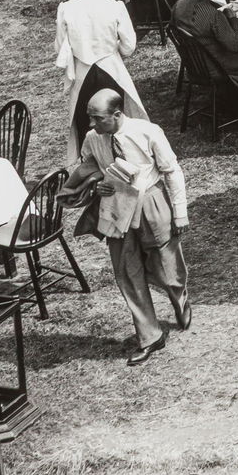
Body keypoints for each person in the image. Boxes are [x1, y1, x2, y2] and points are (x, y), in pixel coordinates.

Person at [64, 90, 191, 366]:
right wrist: (96, 186)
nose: (93, 124)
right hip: (117, 210)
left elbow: (172, 170)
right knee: (127, 271)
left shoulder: (148, 132)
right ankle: (150, 336)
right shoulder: (92, 139)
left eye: (98, 119)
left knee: (167, 266)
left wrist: (179, 213)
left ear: (117, 115)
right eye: (90, 118)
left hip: (150, 203)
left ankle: (179, 296)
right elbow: (89, 169)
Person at [55, 0, 148, 165]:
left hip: (83, 73)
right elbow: (129, 46)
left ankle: (91, 165)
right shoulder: (114, 6)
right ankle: (123, 161)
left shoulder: (67, 8)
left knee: (86, 121)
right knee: (115, 119)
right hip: (110, 70)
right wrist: (114, 49)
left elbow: (60, 46)